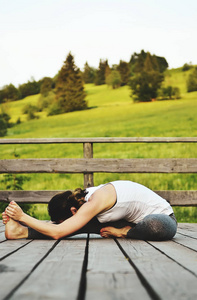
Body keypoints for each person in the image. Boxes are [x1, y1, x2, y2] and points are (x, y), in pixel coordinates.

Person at [3, 180, 177, 241]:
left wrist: (22, 216)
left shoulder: (93, 202)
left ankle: (126, 233)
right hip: (129, 221)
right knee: (73, 227)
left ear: (73, 210)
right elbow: (60, 229)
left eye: (65, 219)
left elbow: (57, 232)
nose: (67, 223)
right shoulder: (84, 199)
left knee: (155, 225)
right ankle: (20, 232)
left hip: (164, 220)